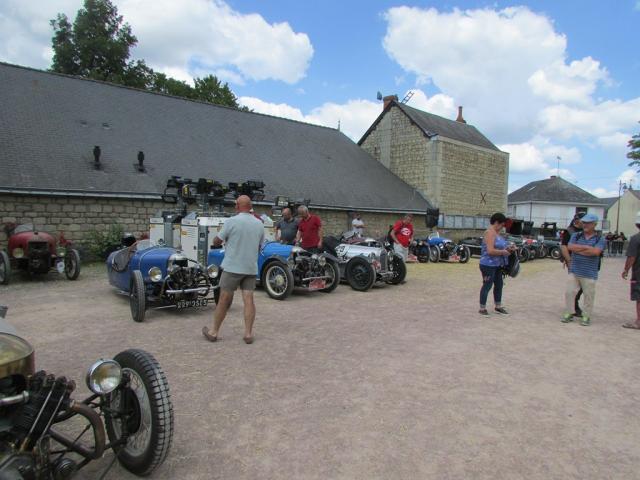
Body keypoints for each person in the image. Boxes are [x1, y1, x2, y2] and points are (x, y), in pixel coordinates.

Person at [202, 195, 264, 344]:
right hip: (250, 267)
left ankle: (214, 332)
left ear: (237, 206)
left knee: (224, 299)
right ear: (250, 207)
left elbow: (218, 240)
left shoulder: (231, 221)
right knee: (248, 299)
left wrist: (217, 240)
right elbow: (260, 246)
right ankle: (248, 334)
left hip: (232, 266)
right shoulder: (259, 224)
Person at [562, 213, 606, 326]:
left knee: (588, 295)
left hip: (589, 272)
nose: (585, 224)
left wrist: (579, 249)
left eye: (588, 223)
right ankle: (569, 312)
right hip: (575, 270)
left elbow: (596, 252)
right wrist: (587, 248)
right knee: (569, 292)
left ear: (595, 224)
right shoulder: (576, 235)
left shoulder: (600, 238)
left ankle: (586, 316)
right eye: (584, 222)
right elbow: (570, 247)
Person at [479, 213, 515, 316]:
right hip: (487, 264)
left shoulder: (497, 233)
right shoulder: (489, 233)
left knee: (499, 285)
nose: (503, 227)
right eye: (502, 225)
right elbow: (490, 251)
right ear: (496, 222)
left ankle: (498, 306)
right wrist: (504, 252)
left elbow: (500, 248)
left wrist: (510, 249)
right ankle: (482, 308)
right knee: (487, 285)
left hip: (497, 264)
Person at [560, 213, 585, 317]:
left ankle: (574, 303)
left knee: (584, 286)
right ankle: (574, 305)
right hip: (574, 261)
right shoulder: (569, 231)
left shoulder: (586, 231)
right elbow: (564, 246)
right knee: (574, 285)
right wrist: (569, 261)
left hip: (586, 262)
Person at [622, 214, 640, 329]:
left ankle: (639, 322)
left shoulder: (636, 238)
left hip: (639, 274)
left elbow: (631, 257)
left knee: (639, 297)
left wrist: (626, 270)